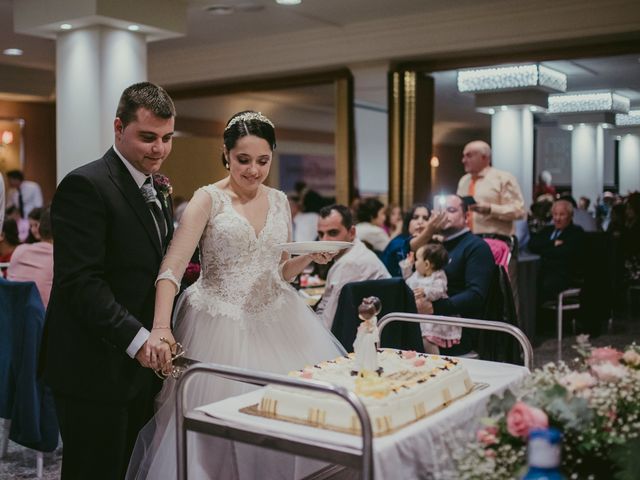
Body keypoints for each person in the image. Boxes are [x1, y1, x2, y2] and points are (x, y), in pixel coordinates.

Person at [126, 111, 344, 479]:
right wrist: (161, 326)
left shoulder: (278, 200)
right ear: (226, 154)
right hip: (219, 324)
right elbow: (171, 268)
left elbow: (279, 272)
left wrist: (308, 256)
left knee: (286, 429)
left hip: (279, 321)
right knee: (221, 441)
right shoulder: (207, 199)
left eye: (263, 161)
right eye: (244, 160)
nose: (254, 170)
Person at [42, 82, 177, 480]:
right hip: (92, 365)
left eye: (168, 138)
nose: (160, 149)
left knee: (130, 470)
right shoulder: (85, 185)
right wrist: (138, 341)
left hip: (138, 367)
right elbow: (81, 283)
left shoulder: (159, 189)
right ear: (119, 128)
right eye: (148, 137)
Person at [412, 195, 495, 356]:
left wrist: (434, 308)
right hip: (427, 320)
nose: (444, 215)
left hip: (457, 329)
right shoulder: (435, 245)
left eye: (451, 210)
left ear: (466, 216)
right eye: (441, 211)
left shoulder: (476, 247)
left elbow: (476, 296)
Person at [315, 204, 390, 329]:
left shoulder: (350, 263)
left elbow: (328, 324)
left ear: (352, 232)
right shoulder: (354, 252)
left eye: (333, 233)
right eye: (321, 234)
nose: (324, 240)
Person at [457, 140, 526, 237]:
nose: (463, 160)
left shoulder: (503, 178)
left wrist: (490, 209)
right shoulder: (464, 181)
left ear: (484, 158)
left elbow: (519, 211)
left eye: (469, 156)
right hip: (467, 239)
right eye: (463, 156)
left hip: (496, 241)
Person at [405, 243, 461, 353]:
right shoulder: (417, 275)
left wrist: (425, 291)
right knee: (419, 340)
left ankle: (436, 359)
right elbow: (407, 281)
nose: (415, 263)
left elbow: (439, 291)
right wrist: (407, 266)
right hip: (420, 316)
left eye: (417, 260)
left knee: (429, 340)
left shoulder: (438, 276)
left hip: (432, 319)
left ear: (426, 264)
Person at [528, 199, 585, 304]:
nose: (557, 218)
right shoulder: (547, 230)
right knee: (527, 283)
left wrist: (543, 249)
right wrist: (552, 243)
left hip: (563, 275)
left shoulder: (576, 232)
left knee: (539, 286)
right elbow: (532, 244)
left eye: (562, 215)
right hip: (543, 271)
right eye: (555, 214)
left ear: (570, 216)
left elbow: (562, 253)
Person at [8, 205, 54, 307]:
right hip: (44, 319)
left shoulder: (19, 250)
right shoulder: (59, 258)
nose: (33, 229)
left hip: (13, 317)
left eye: (35, 225)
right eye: (31, 226)